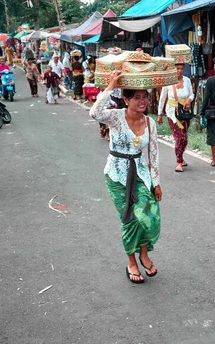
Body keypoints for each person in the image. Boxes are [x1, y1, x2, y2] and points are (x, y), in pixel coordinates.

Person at [89, 70, 162, 283]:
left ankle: (144, 253)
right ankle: (132, 261)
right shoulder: (115, 116)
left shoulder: (150, 123)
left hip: (140, 173)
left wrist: (156, 182)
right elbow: (94, 113)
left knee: (149, 216)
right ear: (126, 99)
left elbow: (154, 154)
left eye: (145, 96)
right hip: (116, 175)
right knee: (129, 219)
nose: (142, 101)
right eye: (137, 97)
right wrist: (111, 85)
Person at [157, 62, 194, 173]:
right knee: (179, 137)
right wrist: (159, 114)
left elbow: (191, 94)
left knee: (185, 138)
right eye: (177, 68)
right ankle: (179, 162)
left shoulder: (187, 80)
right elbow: (163, 98)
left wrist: (189, 100)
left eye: (182, 68)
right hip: (172, 112)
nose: (180, 71)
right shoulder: (168, 82)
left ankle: (181, 157)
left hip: (184, 112)